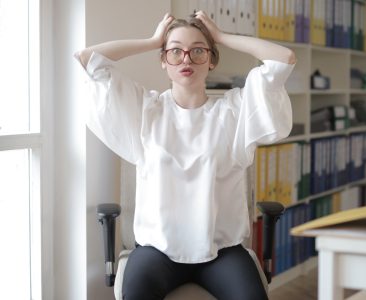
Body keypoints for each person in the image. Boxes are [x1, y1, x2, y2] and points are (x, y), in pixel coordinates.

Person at [76, 11, 296, 300]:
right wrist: (152, 40)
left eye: (198, 51)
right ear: (164, 61)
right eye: (176, 52)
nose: (186, 59)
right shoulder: (145, 111)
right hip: (158, 252)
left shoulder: (234, 112)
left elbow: (284, 60)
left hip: (221, 252)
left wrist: (222, 36)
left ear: (212, 59)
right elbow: (88, 58)